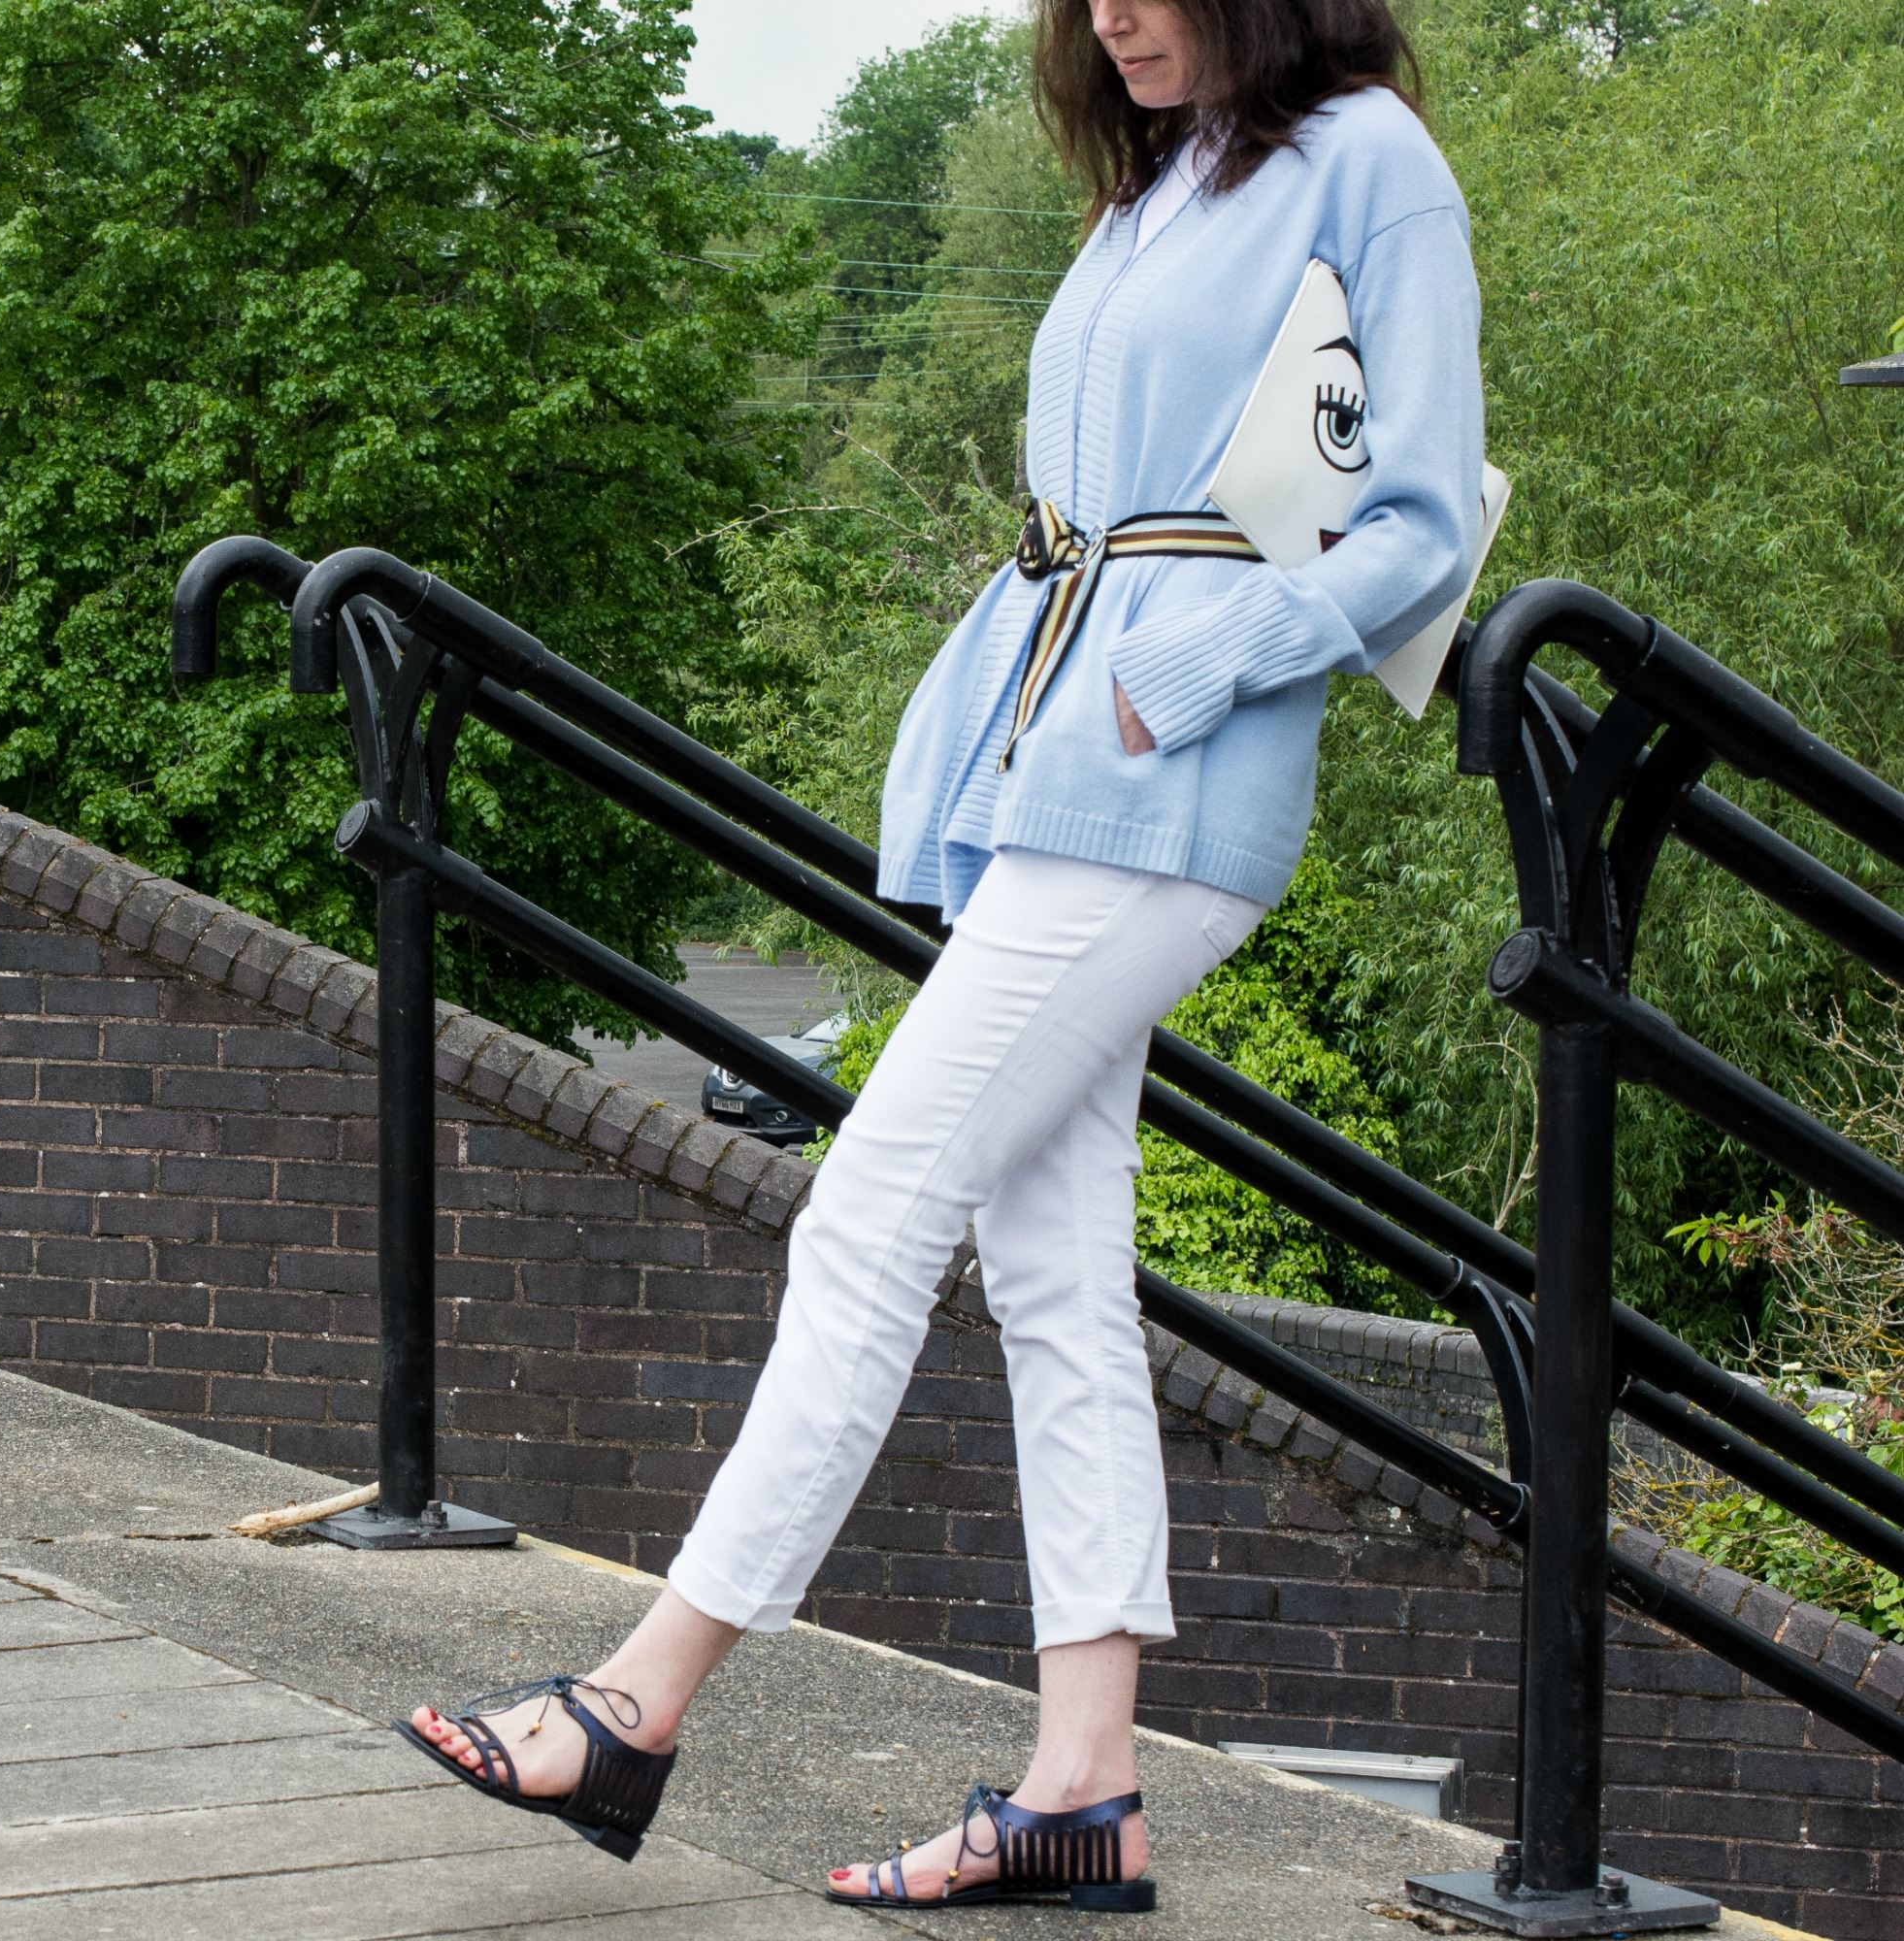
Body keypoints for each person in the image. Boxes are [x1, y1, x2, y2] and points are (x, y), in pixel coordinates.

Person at [397, 0, 1484, 1911]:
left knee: (871, 1206)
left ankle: (641, 1698)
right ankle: (1084, 1784)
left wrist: (1191, 671)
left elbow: (1416, 520)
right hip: (1061, 766)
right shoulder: (1156, 186)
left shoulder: (1369, 160)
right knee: (1054, 1263)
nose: (1112, 13)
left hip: (1171, 775)